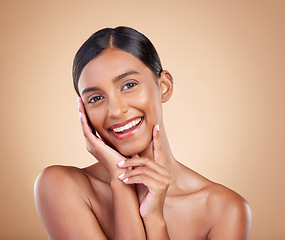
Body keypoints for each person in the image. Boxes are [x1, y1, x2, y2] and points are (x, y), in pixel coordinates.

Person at [34, 26, 251, 240]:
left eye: (129, 85)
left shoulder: (225, 211)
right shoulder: (60, 187)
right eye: (96, 98)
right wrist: (120, 183)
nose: (116, 111)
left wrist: (154, 220)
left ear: (164, 86)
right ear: (84, 111)